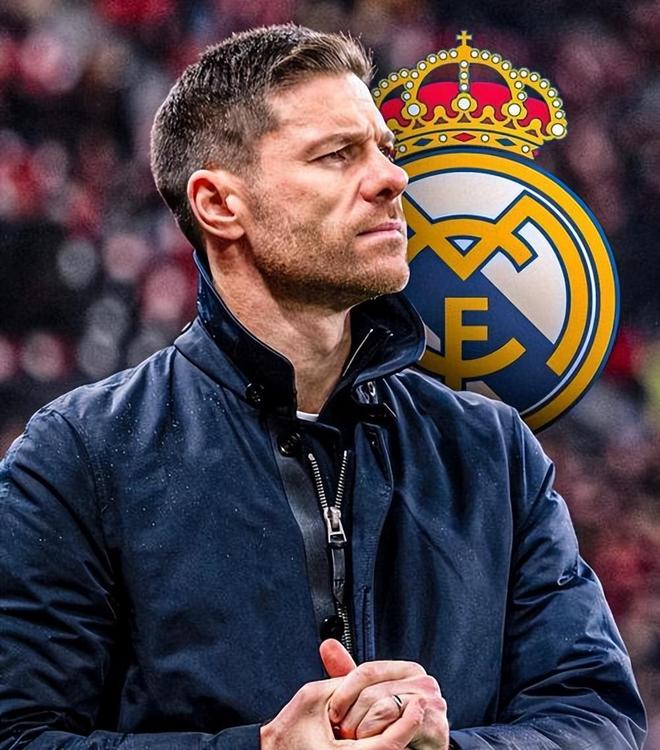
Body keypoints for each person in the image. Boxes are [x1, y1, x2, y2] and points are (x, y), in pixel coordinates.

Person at [0, 23, 646, 750]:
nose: (393, 179)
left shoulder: (493, 452)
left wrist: (448, 748)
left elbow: (600, 720)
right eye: (338, 154)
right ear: (219, 204)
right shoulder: (80, 456)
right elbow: (21, 736)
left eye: (385, 150)